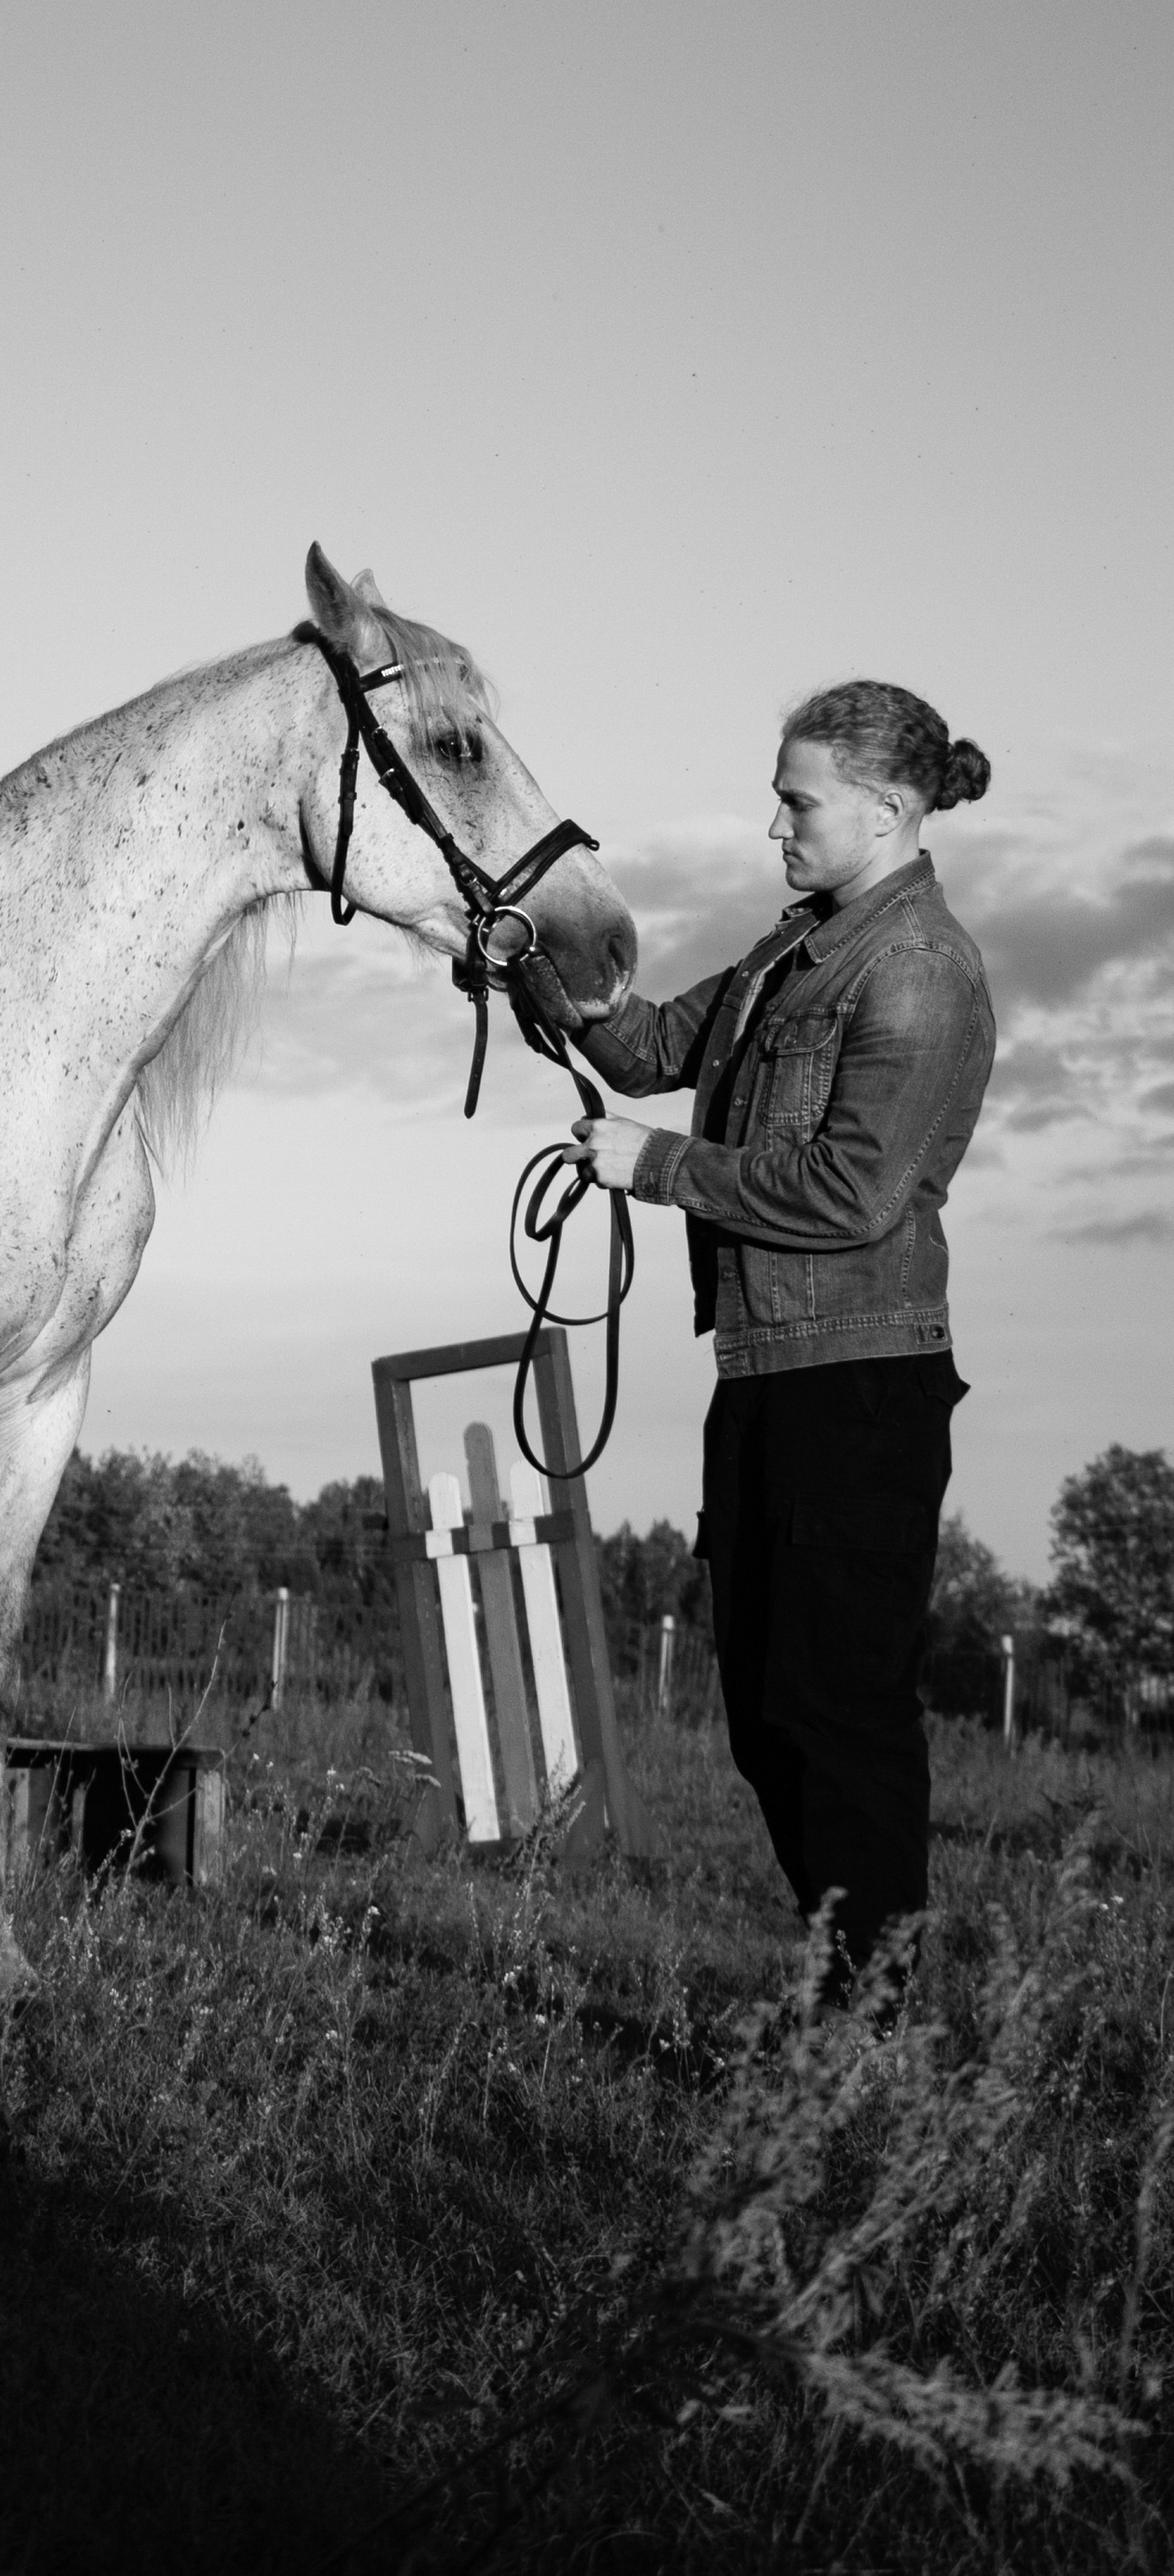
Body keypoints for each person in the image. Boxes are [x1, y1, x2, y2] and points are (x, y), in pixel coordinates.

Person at [552, 682, 995, 1986]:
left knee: (837, 1718)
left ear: (886, 808)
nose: (776, 826)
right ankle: (855, 1998)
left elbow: (857, 1195)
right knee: (767, 1717)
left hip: (862, 1388)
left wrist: (660, 1171)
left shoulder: (916, 969)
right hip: (767, 1373)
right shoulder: (784, 955)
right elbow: (641, 1051)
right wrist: (536, 961)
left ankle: (870, 2028)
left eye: (798, 801)